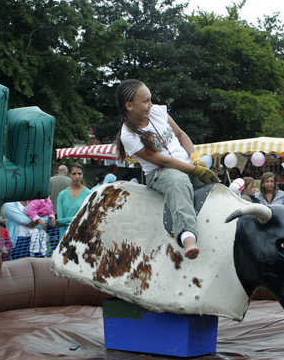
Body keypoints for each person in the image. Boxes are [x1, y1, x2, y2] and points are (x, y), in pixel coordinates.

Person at [115, 79, 218, 259]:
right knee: (177, 181)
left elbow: (181, 134)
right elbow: (162, 161)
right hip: (160, 172)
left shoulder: (157, 112)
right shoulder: (128, 135)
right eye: (145, 101)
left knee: (217, 188)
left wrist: (195, 157)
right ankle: (187, 237)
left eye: (150, 99)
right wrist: (194, 170)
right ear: (129, 105)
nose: (151, 105)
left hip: (187, 164)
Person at [57, 164, 92, 237]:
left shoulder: (89, 194)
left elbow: (87, 217)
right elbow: (60, 221)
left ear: (82, 175)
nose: (77, 176)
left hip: (82, 236)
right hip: (65, 236)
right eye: (74, 174)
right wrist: (78, 218)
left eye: (79, 174)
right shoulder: (62, 195)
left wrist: (65, 220)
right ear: (69, 175)